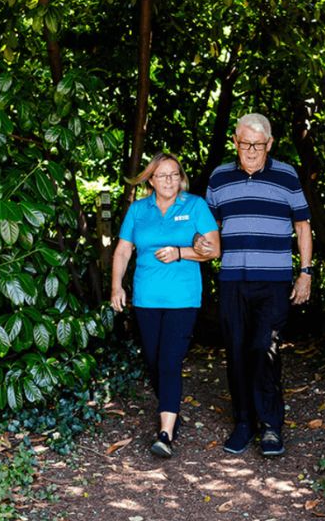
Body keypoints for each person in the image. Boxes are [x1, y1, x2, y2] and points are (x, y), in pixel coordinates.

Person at [198, 113, 313, 457]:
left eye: (258, 145)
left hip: (274, 281)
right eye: (245, 143)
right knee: (236, 351)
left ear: (270, 144)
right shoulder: (219, 177)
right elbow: (209, 228)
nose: (250, 151)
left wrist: (305, 273)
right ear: (235, 141)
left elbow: (303, 226)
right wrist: (199, 242)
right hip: (233, 280)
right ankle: (244, 422)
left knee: (265, 348)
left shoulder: (286, 175)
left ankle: (271, 426)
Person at [110, 153, 221, 458]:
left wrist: (180, 252)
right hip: (146, 298)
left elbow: (214, 250)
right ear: (151, 180)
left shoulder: (195, 206)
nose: (169, 181)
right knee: (154, 361)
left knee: (170, 362)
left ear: (181, 178)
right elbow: (123, 250)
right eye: (162, 175)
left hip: (182, 298)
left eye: (174, 174)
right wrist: (116, 286)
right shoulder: (138, 209)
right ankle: (170, 409)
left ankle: (165, 433)